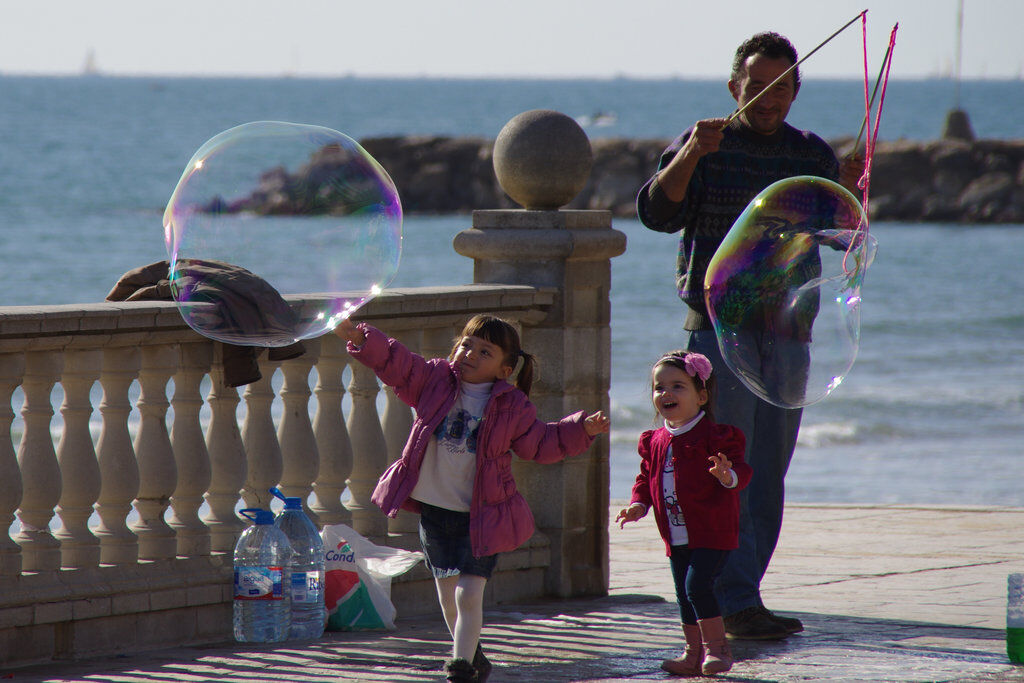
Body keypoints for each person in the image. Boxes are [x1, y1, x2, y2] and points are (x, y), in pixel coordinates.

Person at [636, 31, 863, 640]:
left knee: (764, 472)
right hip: (718, 331)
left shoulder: (809, 153)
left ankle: (744, 596)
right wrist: (690, 154)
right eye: (757, 85)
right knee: (721, 468)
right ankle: (725, 598)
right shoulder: (705, 144)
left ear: (795, 91)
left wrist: (851, 193)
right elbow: (656, 214)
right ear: (734, 86)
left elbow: (839, 235)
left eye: (781, 86)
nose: (769, 97)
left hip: (786, 332)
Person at [335, 314, 610, 683]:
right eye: (467, 344)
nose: (470, 354)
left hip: (482, 516)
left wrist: (581, 429)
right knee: (448, 598)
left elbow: (541, 443)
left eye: (485, 352)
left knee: (468, 595)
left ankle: (460, 667)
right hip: (435, 513)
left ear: (504, 370)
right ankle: (472, 655)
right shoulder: (434, 379)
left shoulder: (513, 405)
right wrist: (363, 338)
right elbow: (397, 364)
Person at [617, 350, 751, 676]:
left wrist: (727, 476)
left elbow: (742, 471)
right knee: (683, 594)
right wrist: (638, 504)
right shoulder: (654, 440)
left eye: (678, 386)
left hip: (712, 532)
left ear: (701, 396)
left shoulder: (716, 436)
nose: (666, 393)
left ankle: (718, 650)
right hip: (675, 534)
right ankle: (692, 655)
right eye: (659, 387)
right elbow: (645, 478)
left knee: (697, 587)